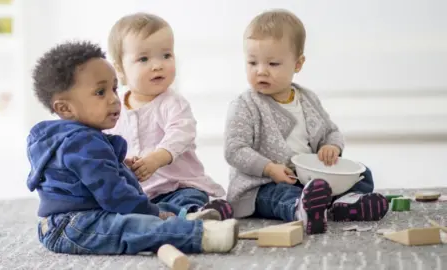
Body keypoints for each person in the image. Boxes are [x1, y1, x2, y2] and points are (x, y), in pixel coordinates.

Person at [26, 41, 238, 255]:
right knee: (130, 227)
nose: (114, 99)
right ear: (65, 108)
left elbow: (89, 179)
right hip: (72, 226)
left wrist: (119, 167)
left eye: (114, 88)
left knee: (148, 208)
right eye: (100, 92)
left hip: (84, 215)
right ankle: (199, 234)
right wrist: (150, 212)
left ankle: (187, 216)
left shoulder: (73, 139)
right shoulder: (81, 143)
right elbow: (114, 195)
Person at [224, 9, 388, 235]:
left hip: (307, 178)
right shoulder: (246, 105)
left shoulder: (307, 99)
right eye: (252, 63)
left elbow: (330, 131)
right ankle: (301, 209)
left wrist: (330, 147)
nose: (261, 71)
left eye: (272, 64)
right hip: (263, 184)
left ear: (298, 64)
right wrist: (269, 169)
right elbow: (234, 150)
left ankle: (345, 204)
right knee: (280, 194)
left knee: (363, 174)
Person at [106, 12, 233, 220]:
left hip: (177, 184)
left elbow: (181, 132)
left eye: (166, 55)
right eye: (144, 59)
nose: (158, 65)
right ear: (120, 70)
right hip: (139, 192)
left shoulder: (173, 103)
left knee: (189, 196)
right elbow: (106, 144)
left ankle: (195, 215)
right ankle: (163, 218)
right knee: (120, 208)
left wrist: (157, 157)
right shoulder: (113, 107)